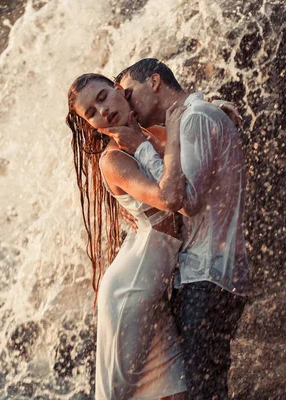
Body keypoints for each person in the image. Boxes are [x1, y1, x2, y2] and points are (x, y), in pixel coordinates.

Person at [105, 58, 250, 400]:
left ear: (154, 82)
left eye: (128, 93)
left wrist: (141, 145)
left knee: (204, 392)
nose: (125, 103)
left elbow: (186, 200)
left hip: (208, 275)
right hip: (210, 274)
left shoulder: (195, 117)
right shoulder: (195, 118)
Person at [66, 73, 188, 400]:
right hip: (130, 294)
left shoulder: (147, 135)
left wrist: (214, 109)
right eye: (90, 112)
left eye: (103, 97)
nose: (102, 111)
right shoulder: (114, 160)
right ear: (88, 124)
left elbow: (186, 118)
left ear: (119, 90)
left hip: (154, 291)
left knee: (177, 395)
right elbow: (167, 198)